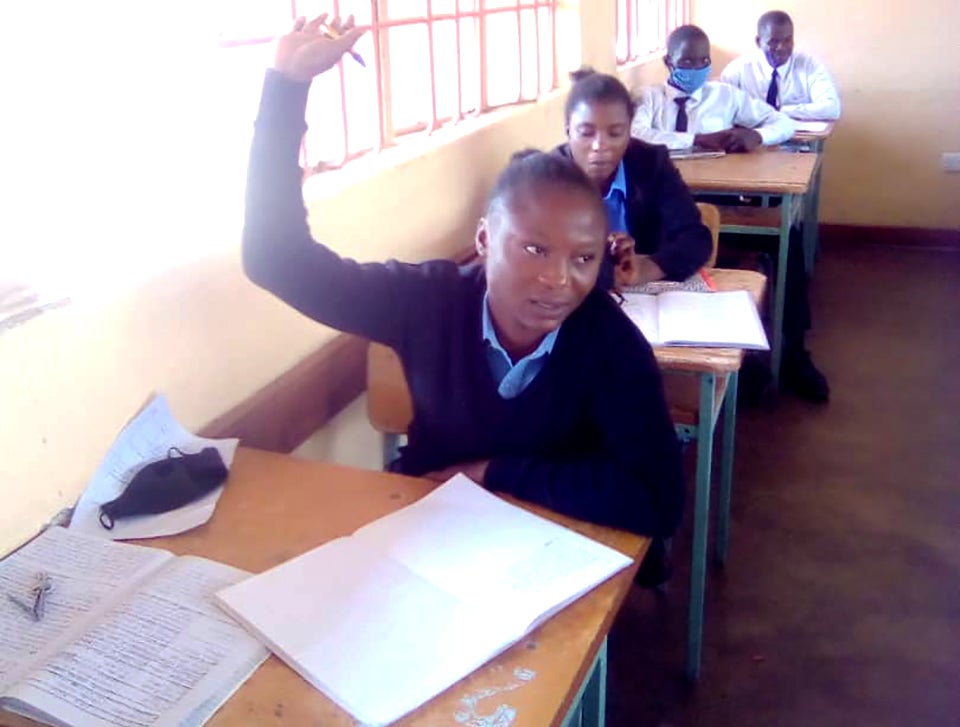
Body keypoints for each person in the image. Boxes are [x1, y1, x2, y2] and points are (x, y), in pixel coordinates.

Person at [243, 14, 685, 539]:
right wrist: (286, 87)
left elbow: (658, 500)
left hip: (553, 541)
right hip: (433, 525)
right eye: (534, 249)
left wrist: (495, 473)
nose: (558, 280)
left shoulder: (610, 343)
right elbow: (275, 258)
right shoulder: (428, 301)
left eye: (583, 259)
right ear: (483, 241)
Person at [553, 68, 713, 293]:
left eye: (615, 133)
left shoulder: (652, 164)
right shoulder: (547, 180)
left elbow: (695, 239)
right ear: (568, 131)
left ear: (629, 132)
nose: (600, 145)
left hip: (642, 301)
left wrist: (646, 267)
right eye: (586, 133)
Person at [631, 24, 795, 152]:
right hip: (659, 186)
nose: (697, 67)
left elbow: (784, 123)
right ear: (668, 62)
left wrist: (758, 136)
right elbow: (635, 135)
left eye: (704, 61)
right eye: (687, 62)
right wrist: (697, 140)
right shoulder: (648, 97)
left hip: (717, 187)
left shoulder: (725, 95)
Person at [720, 10, 841, 121]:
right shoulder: (737, 71)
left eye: (787, 40)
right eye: (773, 41)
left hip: (797, 142)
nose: (782, 48)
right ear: (759, 42)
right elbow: (722, 111)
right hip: (752, 141)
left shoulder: (809, 66)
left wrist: (781, 111)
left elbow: (832, 109)